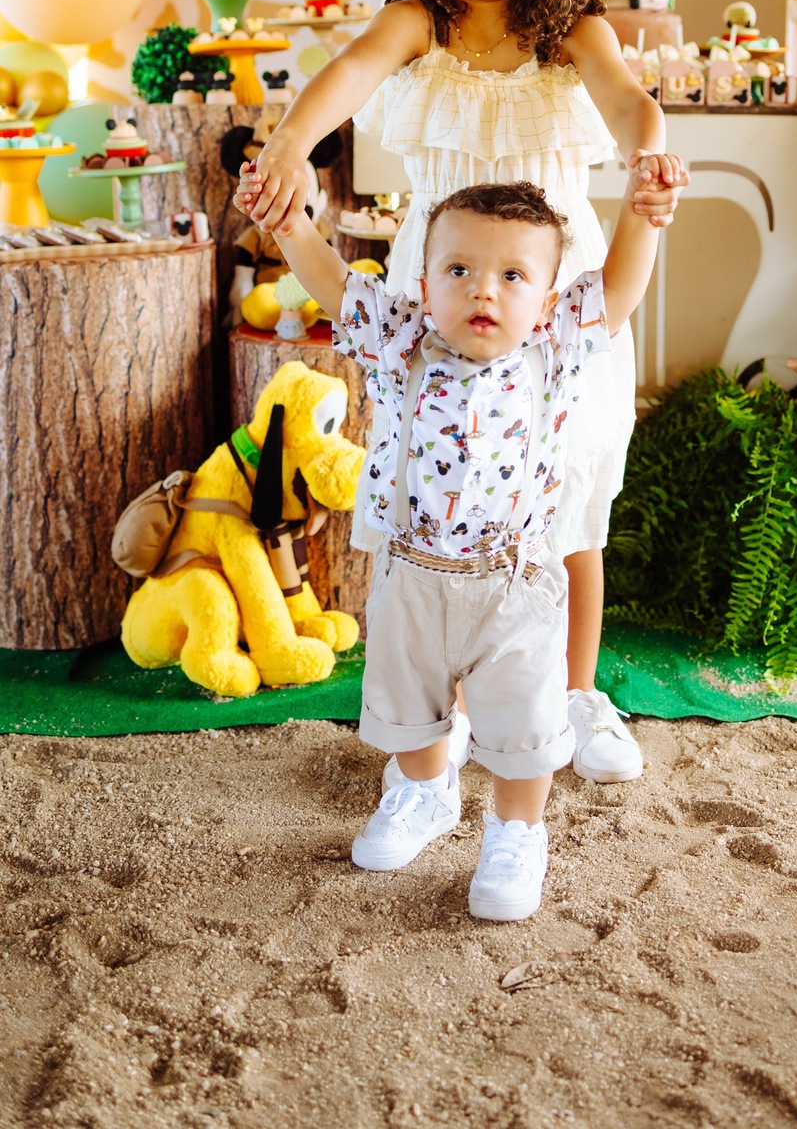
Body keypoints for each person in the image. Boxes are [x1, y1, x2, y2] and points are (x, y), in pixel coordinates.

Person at [243, 0, 688, 783]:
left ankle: (572, 693)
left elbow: (626, 101)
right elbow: (346, 73)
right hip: (439, 292)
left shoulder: (571, 28)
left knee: (566, 497)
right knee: (438, 496)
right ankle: (434, 722)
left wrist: (649, 152)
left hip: (549, 292)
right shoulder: (419, 21)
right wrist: (288, 143)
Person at [251, 171, 681, 919]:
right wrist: (290, 226)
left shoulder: (556, 350)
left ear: (547, 299)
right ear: (423, 282)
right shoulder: (400, 341)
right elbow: (331, 282)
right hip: (412, 576)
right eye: (460, 271)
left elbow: (616, 291)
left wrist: (641, 218)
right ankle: (424, 794)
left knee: (525, 726)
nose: (485, 291)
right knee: (411, 712)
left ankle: (517, 834)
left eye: (513, 275)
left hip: (513, 587)